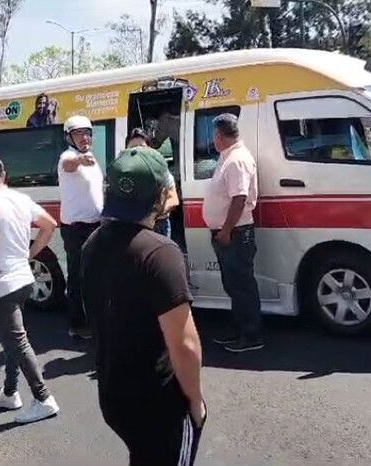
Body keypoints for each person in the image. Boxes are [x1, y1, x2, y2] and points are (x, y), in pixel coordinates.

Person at [81, 146, 206, 465]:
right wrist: (195, 401)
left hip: (114, 393)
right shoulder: (161, 253)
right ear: (160, 196)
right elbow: (185, 345)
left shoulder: (93, 243)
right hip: (157, 403)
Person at [0, 156, 60, 424]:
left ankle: (43, 398)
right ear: (4, 174)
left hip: (2, 285)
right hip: (24, 279)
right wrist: (31, 253)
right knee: (12, 339)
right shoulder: (20, 198)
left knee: (17, 341)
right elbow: (50, 225)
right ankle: (10, 393)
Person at [202, 113, 263, 353]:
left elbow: (239, 199)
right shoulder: (229, 156)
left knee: (242, 285)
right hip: (229, 232)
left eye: (214, 136)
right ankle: (240, 329)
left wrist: (226, 230)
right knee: (234, 285)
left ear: (219, 135)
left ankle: (251, 335)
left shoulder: (236, 159)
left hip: (235, 233)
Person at [58, 115, 104, 340]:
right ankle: (76, 324)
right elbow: (68, 165)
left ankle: (95, 320)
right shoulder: (69, 157)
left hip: (95, 225)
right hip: (77, 229)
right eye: (78, 134)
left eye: (87, 133)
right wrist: (79, 161)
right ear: (69, 137)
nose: (84, 137)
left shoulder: (91, 159)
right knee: (77, 278)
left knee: (95, 277)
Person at [125, 127, 179, 237]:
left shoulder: (160, 169)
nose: (138, 151)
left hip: (159, 225)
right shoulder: (122, 173)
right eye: (133, 148)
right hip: (133, 227)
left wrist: (154, 215)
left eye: (142, 147)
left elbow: (173, 199)